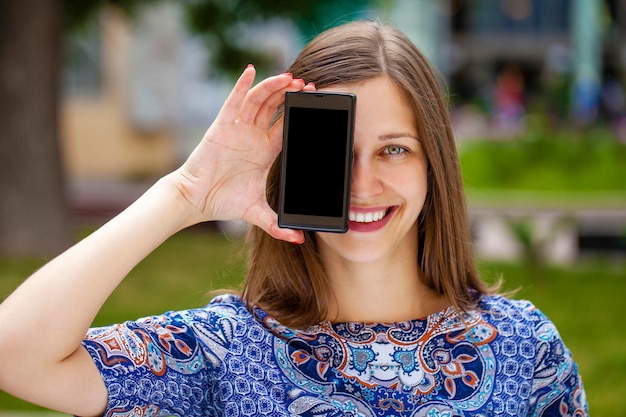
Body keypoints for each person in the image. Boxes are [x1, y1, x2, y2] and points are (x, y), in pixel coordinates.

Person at [0, 20, 587, 417]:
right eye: (338, 152)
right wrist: (184, 194)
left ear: (435, 165)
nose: (362, 183)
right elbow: (15, 353)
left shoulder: (523, 347)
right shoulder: (224, 350)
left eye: (394, 149)